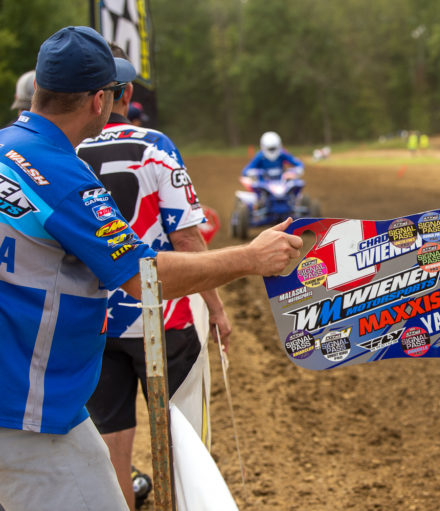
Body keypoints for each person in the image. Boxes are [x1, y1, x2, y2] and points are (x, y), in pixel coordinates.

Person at [0, 26, 301, 511]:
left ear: (37, 89)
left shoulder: (5, 149)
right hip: (30, 408)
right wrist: (251, 257)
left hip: (44, 392)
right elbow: (145, 276)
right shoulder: (63, 177)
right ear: (101, 99)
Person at [75, 43, 231, 511]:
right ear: (124, 94)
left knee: (111, 447)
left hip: (97, 320)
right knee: (183, 441)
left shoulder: (70, 151)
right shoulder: (155, 146)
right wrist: (217, 308)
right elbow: (188, 241)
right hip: (162, 316)